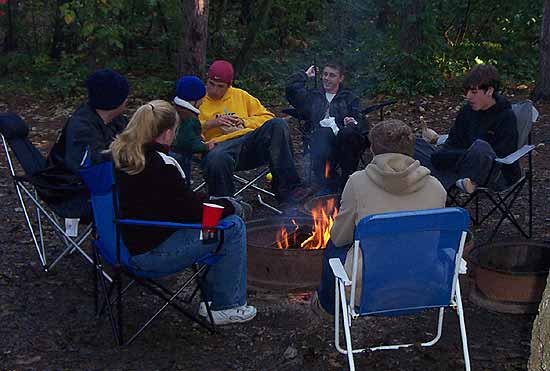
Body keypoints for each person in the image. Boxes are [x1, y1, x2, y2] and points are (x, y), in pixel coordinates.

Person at [110, 100, 256, 325]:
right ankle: (227, 305)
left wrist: (215, 201)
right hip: (154, 253)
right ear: (167, 134)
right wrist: (230, 205)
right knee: (232, 226)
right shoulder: (161, 166)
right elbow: (192, 212)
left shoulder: (125, 155)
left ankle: (214, 297)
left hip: (127, 240)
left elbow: (177, 201)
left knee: (216, 219)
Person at [312, 120, 447, 316]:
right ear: (411, 149)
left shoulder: (358, 182)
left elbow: (340, 237)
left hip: (368, 290)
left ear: (373, 149)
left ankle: (329, 306)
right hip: (424, 285)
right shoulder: (436, 187)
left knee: (333, 246)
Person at [198, 59, 307, 205]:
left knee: (278, 124)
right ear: (207, 80)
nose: (215, 90)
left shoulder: (240, 95)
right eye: (211, 84)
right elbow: (186, 129)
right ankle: (228, 207)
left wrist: (244, 122)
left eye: (220, 86)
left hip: (248, 144)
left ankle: (289, 191)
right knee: (217, 157)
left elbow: (267, 117)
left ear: (229, 85)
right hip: (219, 148)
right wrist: (212, 123)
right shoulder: (198, 99)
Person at [414, 64, 519, 193]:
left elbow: (500, 156)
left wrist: (458, 156)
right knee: (414, 143)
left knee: (481, 148)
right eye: (467, 91)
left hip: (492, 173)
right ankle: (454, 181)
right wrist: (441, 149)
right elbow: (453, 141)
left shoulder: (506, 116)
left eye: (474, 92)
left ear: (489, 91)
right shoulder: (466, 112)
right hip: (459, 166)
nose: (468, 96)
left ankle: (454, 181)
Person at [42, 69, 129, 220]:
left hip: (95, 185)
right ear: (115, 101)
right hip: (70, 192)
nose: (128, 99)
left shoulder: (115, 120)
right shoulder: (81, 128)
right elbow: (91, 166)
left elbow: (135, 137)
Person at [286, 62, 367, 193]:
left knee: (348, 133)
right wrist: (305, 75)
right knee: (324, 132)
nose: (327, 78)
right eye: (325, 74)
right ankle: (327, 183)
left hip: (344, 142)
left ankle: (346, 180)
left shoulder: (349, 98)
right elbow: (291, 91)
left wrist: (353, 122)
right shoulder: (313, 96)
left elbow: (361, 121)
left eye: (332, 75)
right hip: (320, 141)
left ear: (340, 78)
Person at [171, 75, 215, 180]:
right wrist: (205, 147)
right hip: (180, 155)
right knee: (182, 179)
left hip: (171, 152)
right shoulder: (189, 118)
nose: (203, 102)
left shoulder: (175, 110)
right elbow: (189, 142)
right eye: (201, 99)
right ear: (193, 101)